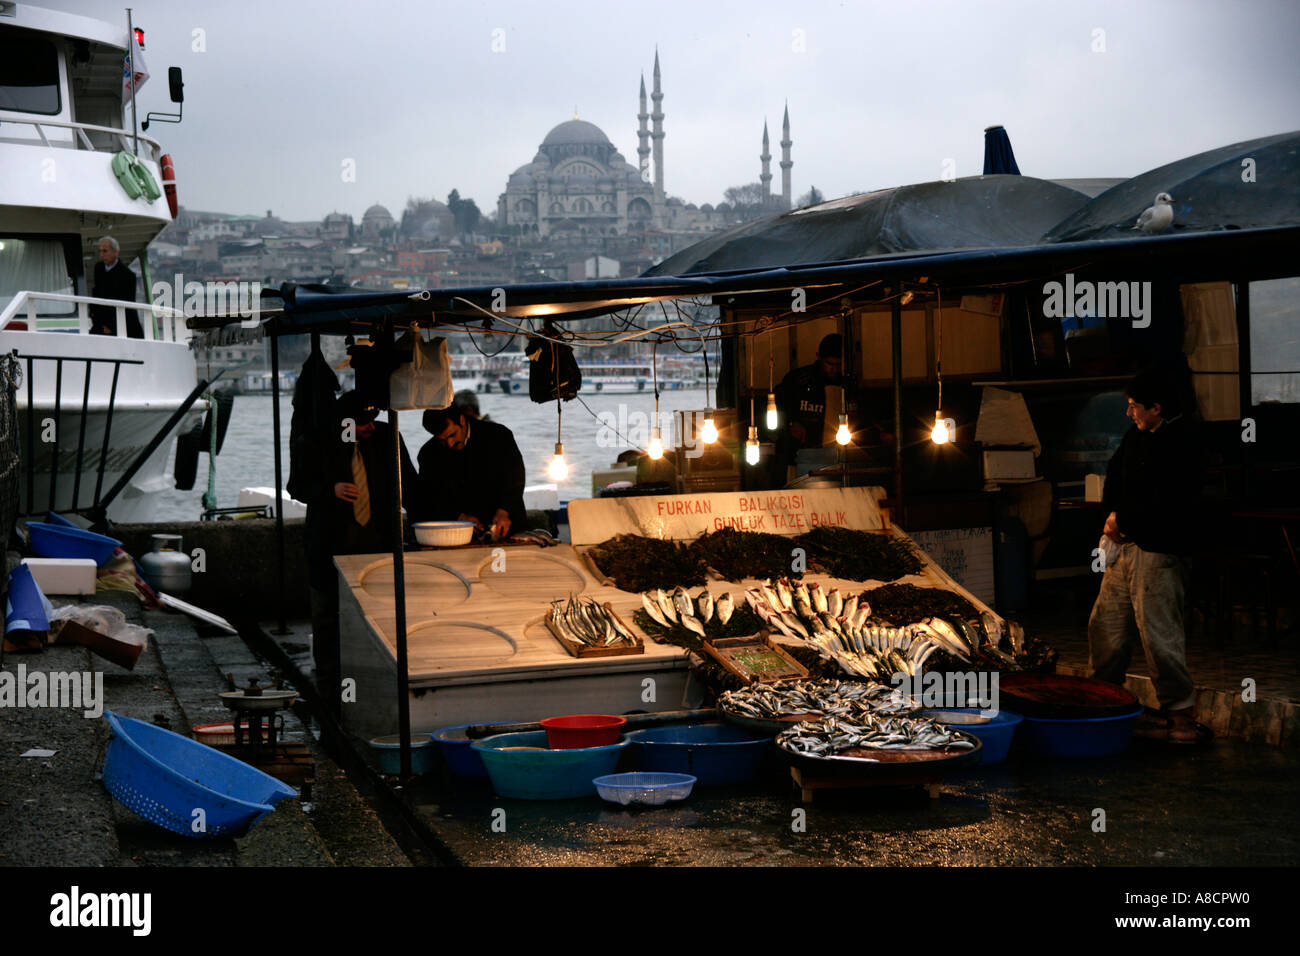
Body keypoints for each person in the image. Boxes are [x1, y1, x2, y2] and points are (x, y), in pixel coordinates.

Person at [1087, 368, 1208, 744]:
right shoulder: (1135, 438)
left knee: (1159, 635)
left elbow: (1171, 500)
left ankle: (1180, 714)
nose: (1130, 413)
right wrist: (1112, 517)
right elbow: (1114, 478)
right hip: (1124, 549)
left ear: (1157, 408)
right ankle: (1103, 702)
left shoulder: (1183, 442)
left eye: (1135, 406)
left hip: (1159, 551)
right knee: (1105, 628)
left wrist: (1126, 519)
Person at [300, 390, 417, 710]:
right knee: (327, 622)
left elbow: (411, 487)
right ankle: (328, 693)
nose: (369, 427)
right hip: (330, 547)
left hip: (376, 546)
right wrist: (330, 489)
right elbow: (296, 485)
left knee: (377, 620)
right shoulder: (317, 440)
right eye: (362, 423)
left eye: (372, 420)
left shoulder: (386, 437)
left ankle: (374, 683)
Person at [416, 403, 526, 540]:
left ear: (462, 420)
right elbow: (430, 496)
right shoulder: (428, 454)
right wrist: (459, 516)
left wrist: (504, 510)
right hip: (458, 534)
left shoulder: (499, 436)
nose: (450, 444)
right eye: (442, 441)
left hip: (507, 527)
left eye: (452, 435)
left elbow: (515, 478)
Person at [771, 332, 847, 482]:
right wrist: (791, 423)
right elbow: (775, 407)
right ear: (819, 357)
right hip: (799, 456)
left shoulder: (848, 382)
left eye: (838, 365)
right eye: (829, 364)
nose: (834, 369)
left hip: (836, 455)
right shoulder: (797, 380)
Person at [89, 236, 142, 338]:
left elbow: (127, 304)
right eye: (100, 251)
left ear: (115, 252)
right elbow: (96, 294)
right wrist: (95, 318)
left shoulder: (128, 276)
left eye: (105, 251)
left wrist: (112, 327)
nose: (102, 254)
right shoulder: (98, 268)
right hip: (100, 324)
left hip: (122, 326)